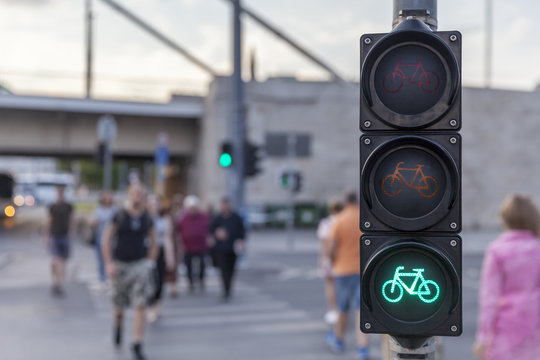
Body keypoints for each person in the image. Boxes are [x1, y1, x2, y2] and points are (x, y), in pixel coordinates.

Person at [473, 194, 540, 360]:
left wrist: (483, 338)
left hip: (505, 329)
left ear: (505, 219)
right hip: (535, 329)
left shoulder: (497, 250)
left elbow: (489, 298)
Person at [101, 184, 158, 360]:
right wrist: (108, 263)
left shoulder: (147, 218)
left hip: (139, 264)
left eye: (140, 194)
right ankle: (118, 326)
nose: (137, 197)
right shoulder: (119, 215)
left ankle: (137, 343)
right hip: (120, 265)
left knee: (140, 303)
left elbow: (154, 242)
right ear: (129, 195)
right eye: (134, 193)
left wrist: (150, 262)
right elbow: (106, 240)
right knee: (119, 306)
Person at [324, 191, 369, 359]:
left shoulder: (339, 220)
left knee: (342, 308)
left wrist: (333, 261)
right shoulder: (364, 219)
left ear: (345, 201)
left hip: (342, 269)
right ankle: (362, 348)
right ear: (357, 200)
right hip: (361, 270)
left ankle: (339, 340)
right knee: (361, 310)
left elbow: (331, 247)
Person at [146, 195, 175, 323]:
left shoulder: (164, 219)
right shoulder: (144, 218)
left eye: (156, 202)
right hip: (147, 251)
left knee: (159, 280)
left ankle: (156, 304)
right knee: (148, 280)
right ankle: (151, 307)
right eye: (151, 202)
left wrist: (170, 257)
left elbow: (168, 238)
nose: (154, 205)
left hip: (161, 251)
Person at [210, 197, 245, 301]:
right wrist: (217, 233)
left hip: (232, 248)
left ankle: (228, 287)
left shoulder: (236, 217)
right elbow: (211, 230)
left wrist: (241, 241)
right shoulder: (217, 218)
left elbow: (241, 231)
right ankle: (225, 289)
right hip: (220, 249)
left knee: (231, 270)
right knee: (223, 269)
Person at [42, 186, 74, 297]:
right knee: (54, 260)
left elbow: (71, 220)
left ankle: (60, 283)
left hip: (64, 235)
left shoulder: (68, 206)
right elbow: (48, 220)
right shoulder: (53, 206)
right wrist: (45, 235)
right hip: (54, 235)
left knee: (62, 261)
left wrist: (71, 234)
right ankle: (55, 281)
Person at [317, 198, 343, 325]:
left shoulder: (326, 223)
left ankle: (333, 310)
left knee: (330, 285)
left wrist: (323, 259)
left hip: (330, 257)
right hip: (344, 258)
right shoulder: (344, 221)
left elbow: (324, 244)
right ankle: (342, 311)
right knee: (343, 286)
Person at [177, 195, 210, 293]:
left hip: (201, 246)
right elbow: (178, 230)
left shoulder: (204, 217)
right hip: (188, 246)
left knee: (203, 264)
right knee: (188, 265)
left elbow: (208, 229)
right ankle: (190, 281)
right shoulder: (183, 218)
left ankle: (201, 279)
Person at [91, 190, 116, 288]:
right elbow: (94, 221)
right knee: (101, 259)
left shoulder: (115, 210)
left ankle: (111, 279)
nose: (108, 198)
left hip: (112, 239)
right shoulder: (99, 210)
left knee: (112, 259)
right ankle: (102, 279)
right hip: (100, 237)